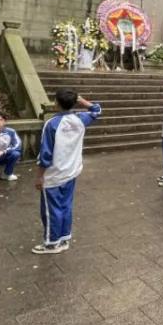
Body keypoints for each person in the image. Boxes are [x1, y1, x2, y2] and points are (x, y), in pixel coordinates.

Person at [34, 89, 101, 254]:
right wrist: (81, 100)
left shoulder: (52, 124)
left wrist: (40, 176)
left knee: (50, 210)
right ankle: (64, 238)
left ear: (56, 103)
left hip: (54, 174)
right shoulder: (80, 119)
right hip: (71, 171)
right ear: (74, 102)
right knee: (65, 206)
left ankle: (51, 243)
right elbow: (97, 110)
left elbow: (45, 154)